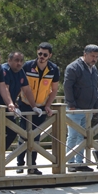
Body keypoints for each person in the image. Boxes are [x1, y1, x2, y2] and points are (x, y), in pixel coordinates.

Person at [17, 42, 60, 175]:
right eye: (39, 53)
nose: (41, 56)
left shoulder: (53, 69)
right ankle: (20, 163)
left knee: (36, 136)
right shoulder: (28, 66)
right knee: (23, 134)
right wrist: (15, 103)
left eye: (45, 54)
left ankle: (32, 165)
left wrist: (48, 105)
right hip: (25, 104)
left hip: (40, 107)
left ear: (50, 55)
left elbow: (54, 89)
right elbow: (18, 84)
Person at [63, 45, 98, 172]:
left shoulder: (94, 69)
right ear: (85, 54)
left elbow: (94, 87)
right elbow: (67, 86)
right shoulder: (74, 67)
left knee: (83, 137)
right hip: (75, 108)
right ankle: (70, 162)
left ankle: (80, 162)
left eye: (96, 56)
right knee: (73, 135)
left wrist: (95, 105)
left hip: (88, 108)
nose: (94, 59)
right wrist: (71, 103)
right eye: (92, 56)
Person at [0, 51, 35, 173]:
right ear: (9, 61)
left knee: (13, 131)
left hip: (10, 108)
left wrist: (34, 106)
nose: (19, 63)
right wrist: (11, 104)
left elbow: (27, 90)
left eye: (21, 61)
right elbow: (5, 89)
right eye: (16, 60)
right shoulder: (4, 70)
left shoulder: (21, 72)